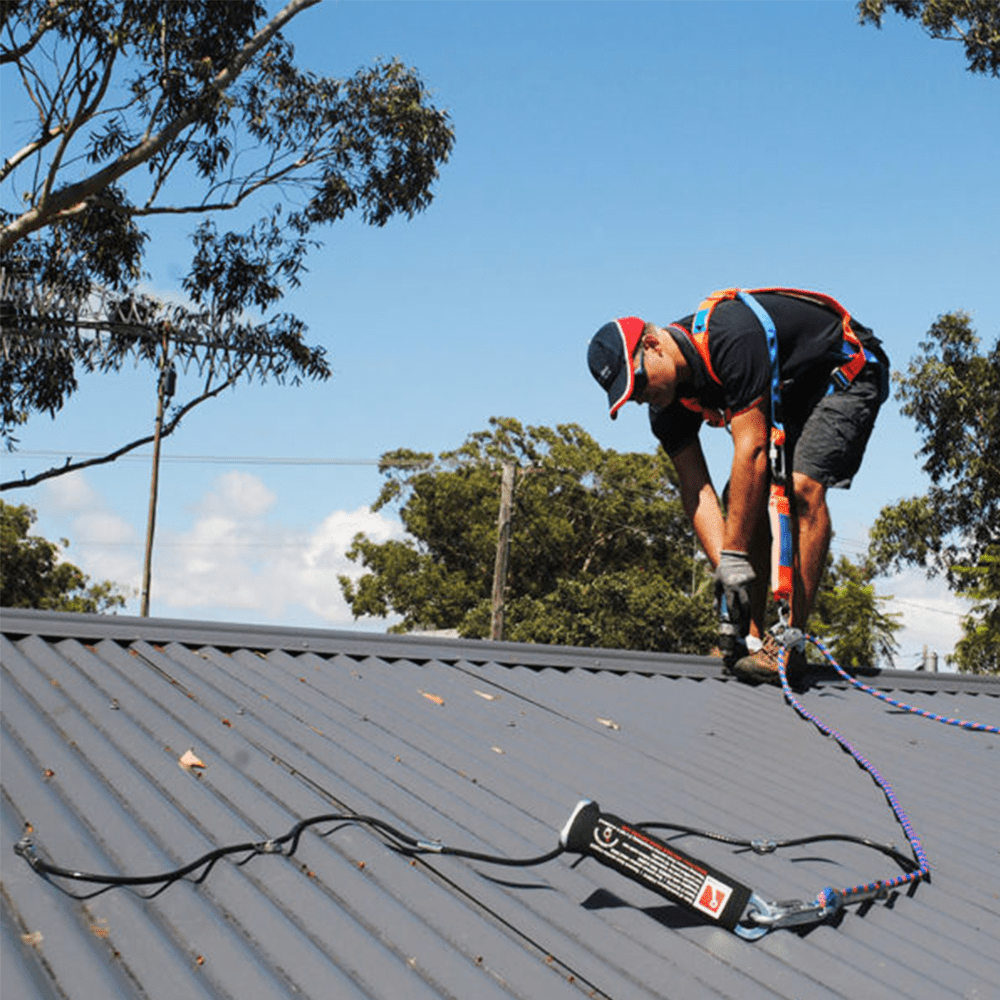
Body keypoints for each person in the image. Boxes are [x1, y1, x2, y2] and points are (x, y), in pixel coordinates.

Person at [587, 288, 889, 685]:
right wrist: (728, 576)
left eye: (639, 383)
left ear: (653, 344)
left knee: (801, 488)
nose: (642, 399)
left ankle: (790, 644)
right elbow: (697, 492)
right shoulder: (665, 410)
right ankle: (753, 636)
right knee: (740, 503)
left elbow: (754, 450)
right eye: (631, 397)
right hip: (792, 391)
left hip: (846, 371)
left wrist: (734, 553)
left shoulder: (729, 335)